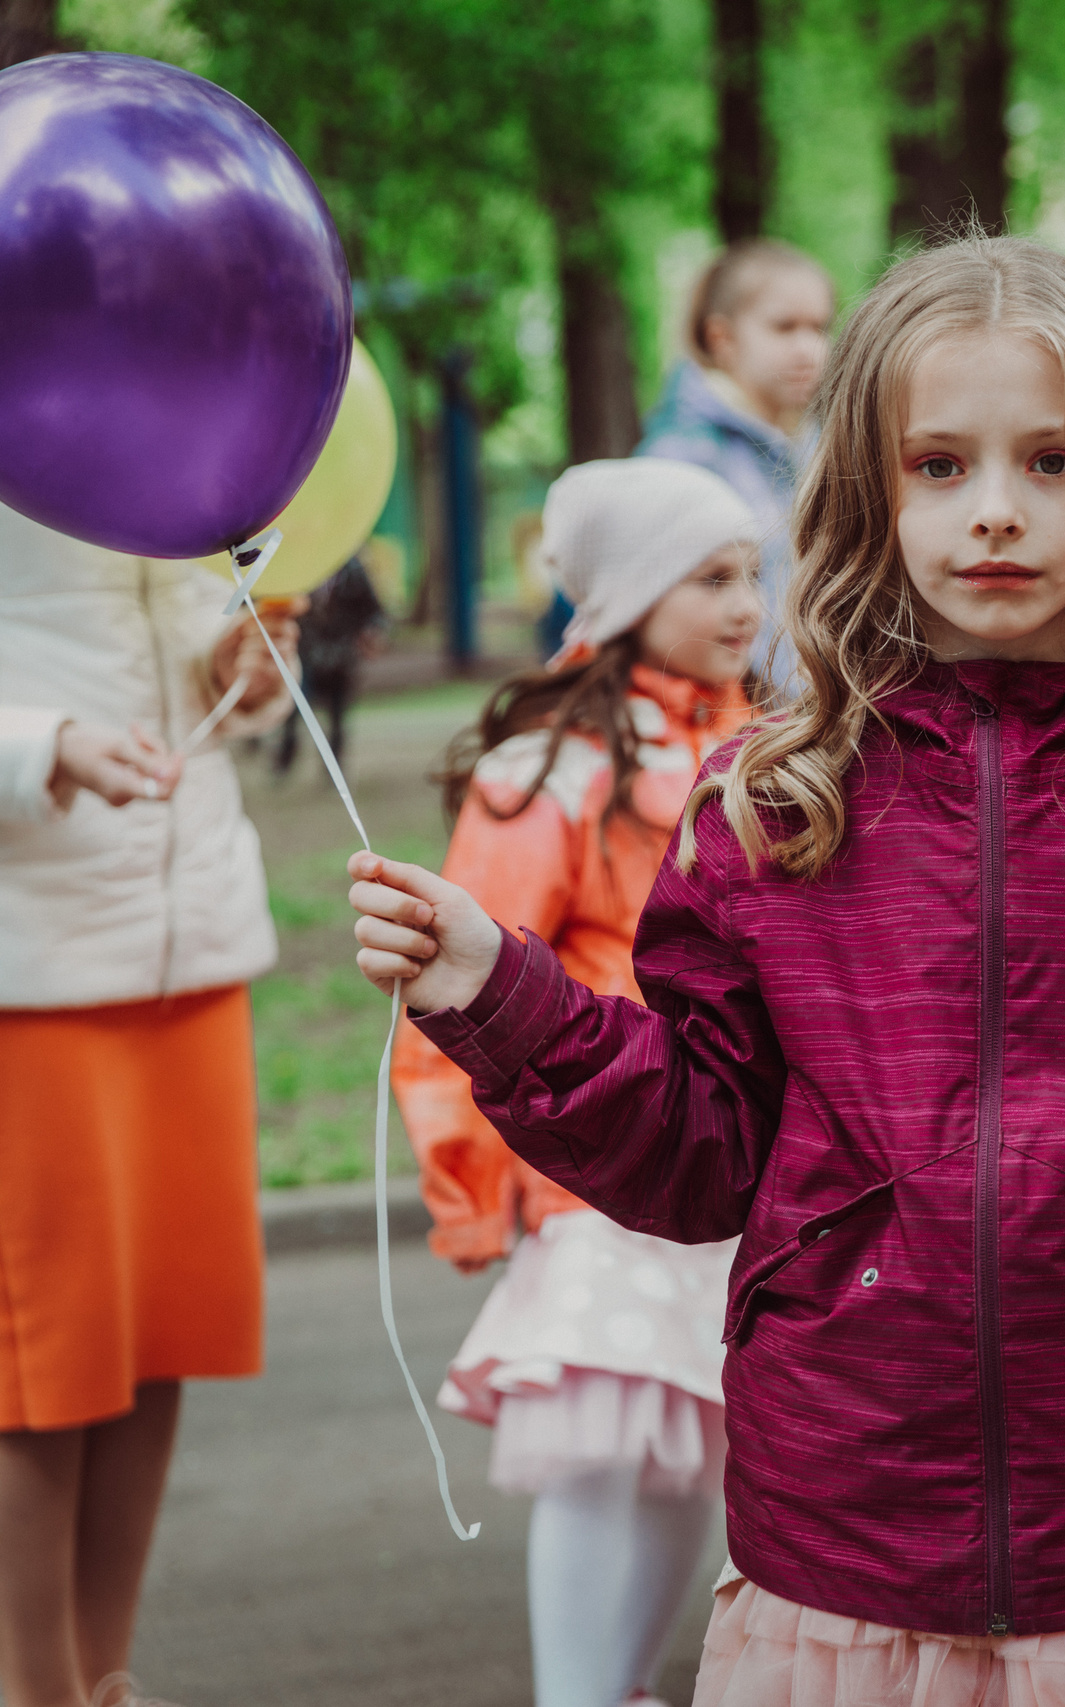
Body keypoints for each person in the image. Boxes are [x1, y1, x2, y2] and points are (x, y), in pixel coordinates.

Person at [347, 234, 1065, 1706]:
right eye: (942, 466)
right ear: (867, 492)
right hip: (839, 1552)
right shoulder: (769, 803)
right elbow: (702, 1153)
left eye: (1048, 460)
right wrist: (497, 989)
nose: (998, 514)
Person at [391, 458, 767, 1707]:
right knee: (610, 1455)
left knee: (690, 1449)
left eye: (753, 575)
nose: (745, 605)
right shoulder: (553, 765)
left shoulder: (766, 741)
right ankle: (576, 1695)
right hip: (596, 1174)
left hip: (727, 1164)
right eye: (711, 577)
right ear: (627, 592)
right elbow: (457, 980)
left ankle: (615, 1688)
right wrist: (463, 1179)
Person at [0, 505, 296, 1707]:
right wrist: (43, 745)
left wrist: (244, 663)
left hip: (193, 940)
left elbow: (213, 671)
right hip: (34, 962)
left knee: (159, 1334)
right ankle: (36, 1690)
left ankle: (101, 1677)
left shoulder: (193, 436)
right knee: (42, 1362)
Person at [639, 239, 835, 690]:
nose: (809, 349)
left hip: (814, 721)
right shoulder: (679, 458)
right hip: (725, 730)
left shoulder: (817, 445)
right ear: (721, 338)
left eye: (819, 328)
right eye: (785, 328)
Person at [273, 555, 389, 777]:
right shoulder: (298, 567)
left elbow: (374, 612)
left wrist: (372, 633)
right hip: (304, 653)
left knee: (337, 714)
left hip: (341, 655)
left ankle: (333, 769)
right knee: (292, 706)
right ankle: (284, 759)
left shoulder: (353, 571)